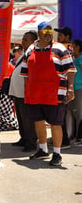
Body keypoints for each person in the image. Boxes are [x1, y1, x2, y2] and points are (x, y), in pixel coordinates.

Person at [20, 21, 75, 166]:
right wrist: (27, 89)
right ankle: (43, 149)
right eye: (45, 32)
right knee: (38, 121)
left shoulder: (60, 49)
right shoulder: (31, 49)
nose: (48, 35)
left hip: (55, 92)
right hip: (35, 92)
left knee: (56, 123)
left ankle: (57, 153)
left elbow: (70, 70)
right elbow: (25, 72)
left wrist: (70, 89)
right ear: (39, 34)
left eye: (50, 32)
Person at [9, 30, 38, 152]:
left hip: (25, 92)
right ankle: (24, 138)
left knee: (28, 119)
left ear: (34, 41)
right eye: (23, 39)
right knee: (21, 118)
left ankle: (31, 142)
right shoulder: (24, 53)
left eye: (26, 39)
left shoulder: (34, 53)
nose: (23, 41)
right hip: (18, 92)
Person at [54, 26, 74, 149]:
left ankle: (64, 141)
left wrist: (69, 88)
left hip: (65, 85)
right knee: (61, 114)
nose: (58, 36)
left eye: (61, 35)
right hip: (63, 85)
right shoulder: (63, 47)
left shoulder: (66, 48)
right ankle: (62, 139)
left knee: (60, 114)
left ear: (67, 36)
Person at [69, 39, 82, 143]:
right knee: (73, 113)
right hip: (74, 88)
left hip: (79, 88)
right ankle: (73, 135)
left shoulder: (81, 58)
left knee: (78, 113)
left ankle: (78, 136)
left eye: (73, 46)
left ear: (78, 47)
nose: (71, 48)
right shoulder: (74, 58)